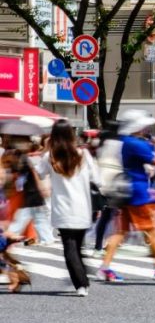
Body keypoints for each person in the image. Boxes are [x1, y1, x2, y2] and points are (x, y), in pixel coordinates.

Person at [97, 110, 155, 282]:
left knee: (120, 231)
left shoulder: (121, 141)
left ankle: (105, 267)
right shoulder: (136, 143)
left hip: (124, 190)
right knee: (152, 229)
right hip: (138, 191)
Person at [41, 120, 98, 296]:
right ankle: (82, 280)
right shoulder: (83, 154)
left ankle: (81, 283)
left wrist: (45, 149)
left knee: (70, 246)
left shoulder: (50, 157)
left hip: (63, 208)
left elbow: (39, 172)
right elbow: (96, 177)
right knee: (78, 245)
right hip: (82, 207)